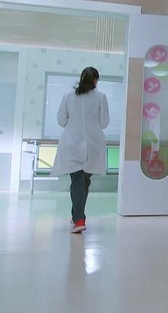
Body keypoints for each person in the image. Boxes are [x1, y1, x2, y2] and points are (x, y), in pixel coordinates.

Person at [52, 67, 111, 234]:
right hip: (93, 143)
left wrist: (73, 124)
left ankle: (78, 218)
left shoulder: (68, 96)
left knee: (79, 180)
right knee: (83, 180)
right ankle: (78, 217)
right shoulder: (101, 97)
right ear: (96, 80)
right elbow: (104, 122)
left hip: (71, 141)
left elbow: (61, 120)